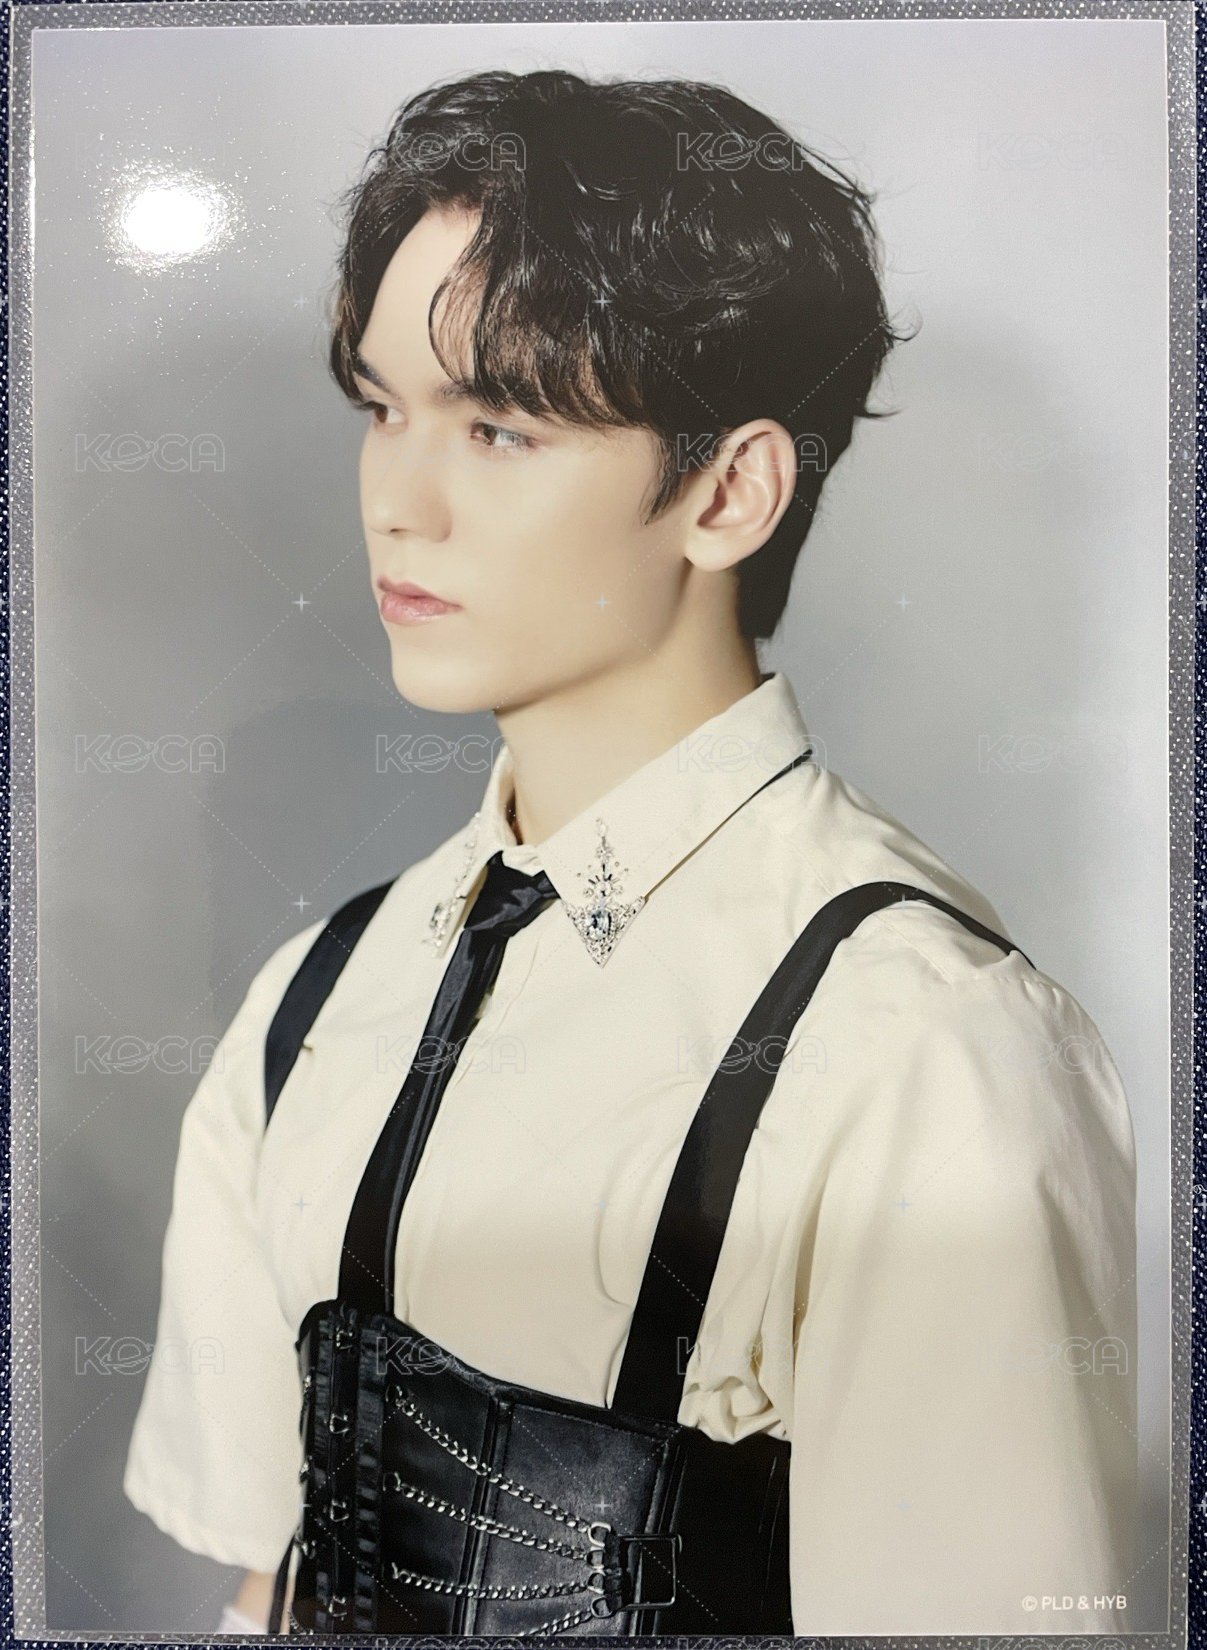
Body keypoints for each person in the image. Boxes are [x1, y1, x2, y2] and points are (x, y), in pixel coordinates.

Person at [122, 68, 1137, 1636]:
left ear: (729, 491)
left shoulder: (924, 1051)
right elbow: (268, 1585)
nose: (400, 502)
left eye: (499, 428)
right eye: (383, 410)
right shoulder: (314, 1000)